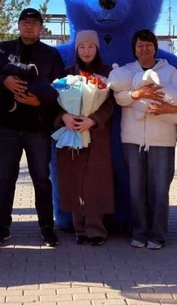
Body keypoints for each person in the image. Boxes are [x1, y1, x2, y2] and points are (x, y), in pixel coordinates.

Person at [0, 8, 65, 248]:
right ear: (18, 25)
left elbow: (61, 89)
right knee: (6, 179)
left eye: (34, 22)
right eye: (25, 22)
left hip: (37, 128)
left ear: (41, 27)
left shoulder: (52, 55)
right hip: (7, 126)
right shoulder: (3, 48)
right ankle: (2, 228)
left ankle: (46, 227)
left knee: (41, 179)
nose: (29, 26)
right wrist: (3, 80)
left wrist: (40, 102)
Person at [112, 29, 177, 250]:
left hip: (163, 140)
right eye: (140, 45)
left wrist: (171, 107)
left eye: (148, 44)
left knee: (160, 188)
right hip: (132, 139)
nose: (144, 48)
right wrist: (135, 95)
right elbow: (118, 96)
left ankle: (158, 234)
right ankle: (139, 232)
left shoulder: (169, 71)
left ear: (155, 47)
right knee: (136, 188)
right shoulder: (127, 71)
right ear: (134, 49)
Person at [55, 30, 115, 246]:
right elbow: (54, 102)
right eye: (82, 47)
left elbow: (110, 103)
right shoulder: (66, 74)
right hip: (71, 133)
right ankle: (79, 228)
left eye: (91, 46)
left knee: (95, 181)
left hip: (96, 135)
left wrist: (94, 120)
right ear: (76, 49)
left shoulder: (107, 73)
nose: (86, 51)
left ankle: (96, 228)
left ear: (97, 49)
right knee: (74, 179)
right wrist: (64, 116)